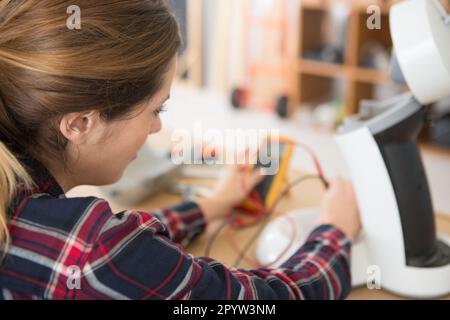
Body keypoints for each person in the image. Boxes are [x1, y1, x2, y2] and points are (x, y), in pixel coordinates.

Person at [0, 0, 360, 300]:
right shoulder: (96, 253)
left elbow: (120, 255)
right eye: (157, 110)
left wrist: (208, 207)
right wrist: (333, 232)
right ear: (79, 124)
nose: (157, 127)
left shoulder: (23, 204)